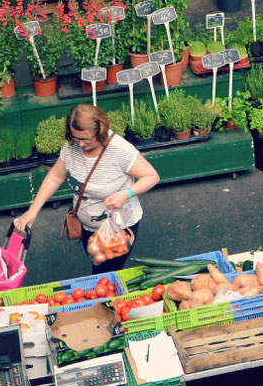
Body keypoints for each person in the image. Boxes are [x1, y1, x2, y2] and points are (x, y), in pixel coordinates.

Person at [13, 104, 160, 273]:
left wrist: (126, 193)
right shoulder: (71, 147)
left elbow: (152, 176)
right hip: (87, 226)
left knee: (106, 275)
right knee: (98, 266)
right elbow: (55, 177)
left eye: (86, 139)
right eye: (76, 138)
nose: (81, 144)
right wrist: (32, 211)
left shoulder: (120, 150)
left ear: (101, 131)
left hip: (118, 228)